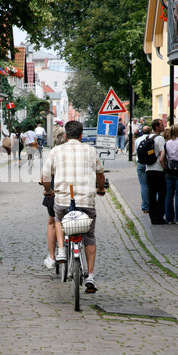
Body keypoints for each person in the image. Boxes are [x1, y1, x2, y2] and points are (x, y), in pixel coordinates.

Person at [42, 120, 106, 292]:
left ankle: (61, 250)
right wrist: (100, 188)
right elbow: (100, 174)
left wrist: (48, 190)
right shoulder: (91, 151)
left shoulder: (56, 150)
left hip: (63, 201)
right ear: (81, 135)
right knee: (90, 236)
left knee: (58, 217)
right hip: (86, 202)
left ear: (65, 135)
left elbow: (46, 174)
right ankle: (90, 277)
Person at [42, 127, 66, 269]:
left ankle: (52, 257)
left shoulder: (54, 152)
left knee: (52, 222)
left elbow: (45, 174)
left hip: (55, 190)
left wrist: (46, 187)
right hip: (73, 190)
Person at [146, 118, 166, 225]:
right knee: (162, 194)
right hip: (158, 169)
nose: (164, 126)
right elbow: (162, 157)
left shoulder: (148, 137)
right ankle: (159, 217)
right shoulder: (160, 139)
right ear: (157, 127)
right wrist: (164, 168)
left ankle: (152, 217)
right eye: (162, 124)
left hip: (149, 169)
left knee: (151, 194)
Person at [134, 125, 151, 213]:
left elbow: (136, 152)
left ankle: (145, 206)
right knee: (152, 185)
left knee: (144, 186)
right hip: (150, 164)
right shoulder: (152, 139)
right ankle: (153, 204)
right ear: (150, 132)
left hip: (140, 164)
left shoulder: (137, 140)